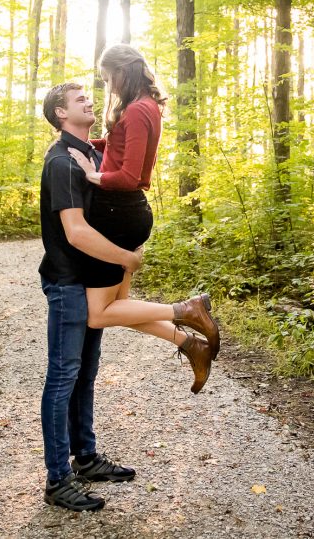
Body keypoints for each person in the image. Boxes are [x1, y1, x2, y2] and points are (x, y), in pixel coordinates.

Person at [66, 44, 220, 392]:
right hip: (128, 211)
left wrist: (93, 174)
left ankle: (188, 310)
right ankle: (189, 344)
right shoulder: (146, 107)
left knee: (98, 313)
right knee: (121, 307)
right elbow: (119, 146)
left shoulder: (136, 111)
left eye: (109, 79)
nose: (110, 87)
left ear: (123, 71)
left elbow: (129, 175)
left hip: (117, 212)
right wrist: (89, 145)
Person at [38, 82, 140, 512]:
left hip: (94, 282)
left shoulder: (93, 155)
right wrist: (127, 259)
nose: (90, 102)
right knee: (63, 377)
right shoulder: (61, 162)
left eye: (89, 97)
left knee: (85, 374)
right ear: (61, 113)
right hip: (67, 284)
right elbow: (76, 232)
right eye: (80, 100)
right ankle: (57, 479)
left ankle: (86, 458)